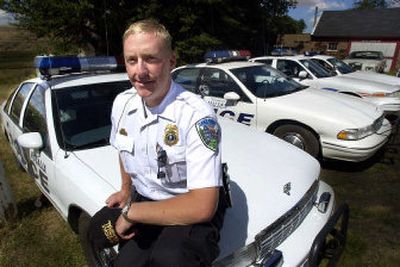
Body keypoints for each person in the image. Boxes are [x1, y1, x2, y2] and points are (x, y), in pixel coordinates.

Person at [106, 19, 225, 266]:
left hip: (189, 206)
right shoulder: (122, 103)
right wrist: (126, 190)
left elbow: (203, 206)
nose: (139, 71)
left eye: (150, 58)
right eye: (131, 60)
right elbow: (122, 149)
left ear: (171, 61)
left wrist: (131, 213)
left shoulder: (196, 115)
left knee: (170, 260)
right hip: (146, 199)